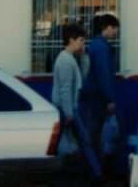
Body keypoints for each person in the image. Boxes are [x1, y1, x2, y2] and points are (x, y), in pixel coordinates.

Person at [51, 23, 100, 185]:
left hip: (71, 108)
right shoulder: (65, 61)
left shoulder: (71, 59)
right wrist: (69, 113)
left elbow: (83, 77)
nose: (82, 44)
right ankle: (95, 175)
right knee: (80, 142)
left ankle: (91, 174)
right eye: (80, 40)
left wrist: (84, 57)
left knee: (75, 143)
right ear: (71, 40)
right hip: (68, 109)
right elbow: (65, 89)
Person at [80, 13, 120, 174]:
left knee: (93, 134)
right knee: (97, 135)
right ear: (108, 27)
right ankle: (95, 170)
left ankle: (92, 168)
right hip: (99, 98)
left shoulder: (94, 45)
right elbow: (104, 74)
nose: (116, 32)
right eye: (115, 28)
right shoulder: (103, 48)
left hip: (92, 96)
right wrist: (110, 98)